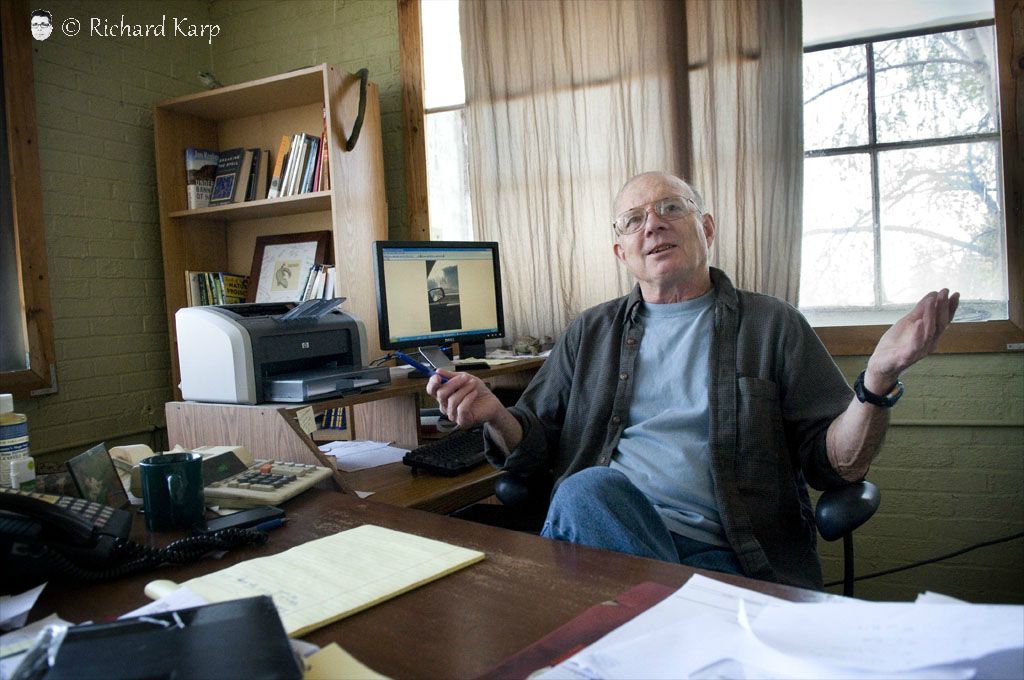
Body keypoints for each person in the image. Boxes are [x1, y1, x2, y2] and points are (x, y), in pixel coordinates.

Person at [426, 171, 959, 590]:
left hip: (733, 558)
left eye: (669, 209)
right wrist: (495, 414)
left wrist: (877, 380)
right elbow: (533, 445)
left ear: (706, 229)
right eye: (632, 220)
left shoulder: (773, 325)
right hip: (605, 536)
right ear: (622, 252)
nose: (651, 225)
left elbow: (839, 463)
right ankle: (679, 623)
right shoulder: (588, 332)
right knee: (588, 490)